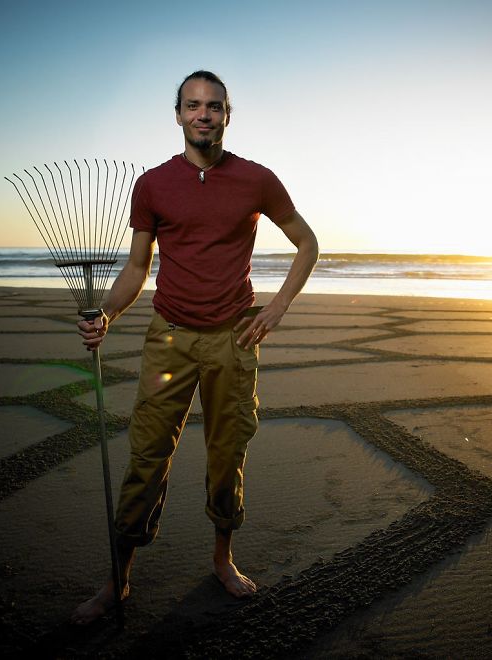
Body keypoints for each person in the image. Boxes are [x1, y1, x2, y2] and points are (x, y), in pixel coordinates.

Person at [71, 70, 319, 625]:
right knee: (146, 456)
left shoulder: (257, 179)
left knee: (228, 454)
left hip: (233, 337)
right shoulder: (152, 184)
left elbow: (307, 243)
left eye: (213, 106)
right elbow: (137, 268)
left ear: (227, 114)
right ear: (178, 114)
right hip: (170, 338)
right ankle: (118, 578)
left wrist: (276, 308)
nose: (203, 114)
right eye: (193, 105)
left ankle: (222, 559)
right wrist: (107, 313)